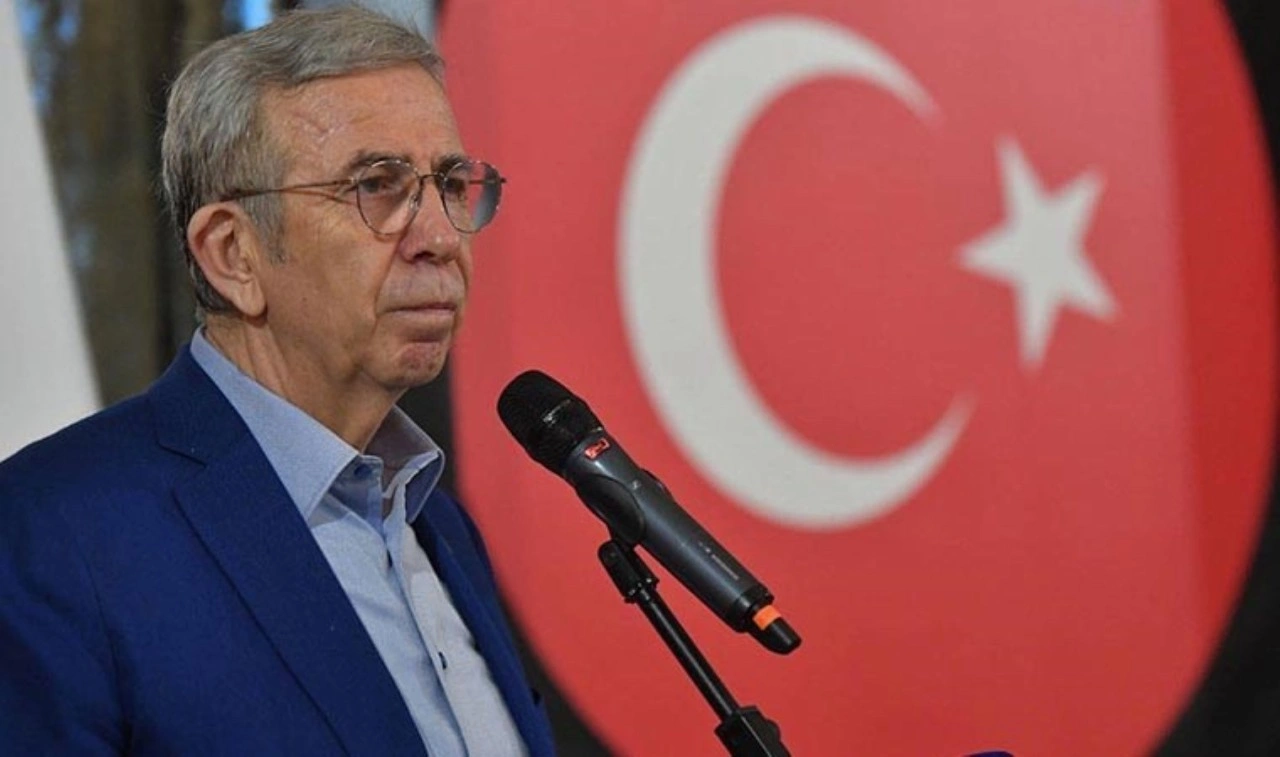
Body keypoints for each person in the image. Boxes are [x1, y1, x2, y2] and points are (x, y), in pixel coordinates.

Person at [0, 8, 556, 756]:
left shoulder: (441, 527)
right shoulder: (51, 534)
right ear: (233, 254)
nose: (440, 237)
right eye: (378, 185)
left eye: (452, 184)